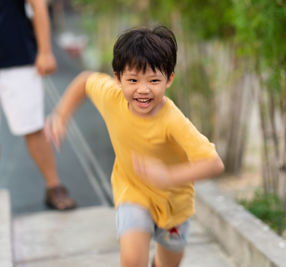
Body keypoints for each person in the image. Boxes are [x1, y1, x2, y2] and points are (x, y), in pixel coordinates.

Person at [45, 25, 225, 267]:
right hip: (132, 191)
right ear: (118, 78)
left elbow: (213, 164)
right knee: (131, 259)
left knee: (169, 262)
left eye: (153, 80)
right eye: (133, 80)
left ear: (169, 79)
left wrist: (169, 176)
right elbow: (85, 81)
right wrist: (61, 115)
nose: (143, 89)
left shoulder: (173, 120)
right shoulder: (111, 96)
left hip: (174, 203)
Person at [0, 0, 76, 210]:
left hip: (18, 57)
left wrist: (45, 51)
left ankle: (54, 186)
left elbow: (38, 5)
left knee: (32, 126)